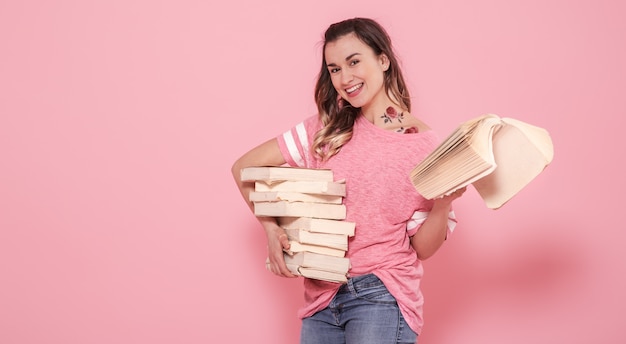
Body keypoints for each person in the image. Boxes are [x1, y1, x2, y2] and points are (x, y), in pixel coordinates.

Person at [231, 17, 466, 344]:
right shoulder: (325, 129)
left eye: (354, 62)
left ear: (383, 60)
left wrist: (443, 203)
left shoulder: (422, 145)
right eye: (335, 68)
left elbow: (423, 248)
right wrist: (271, 228)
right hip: (320, 299)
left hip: (381, 296)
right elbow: (244, 167)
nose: (345, 77)